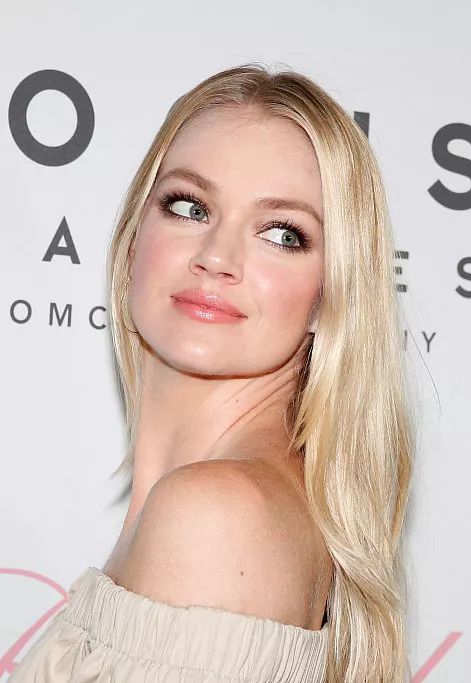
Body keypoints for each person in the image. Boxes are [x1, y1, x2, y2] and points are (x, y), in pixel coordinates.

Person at [11, 63, 416, 683]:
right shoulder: (228, 504)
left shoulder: (217, 517)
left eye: (282, 234)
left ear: (330, 294)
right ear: (134, 236)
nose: (217, 257)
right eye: (190, 206)